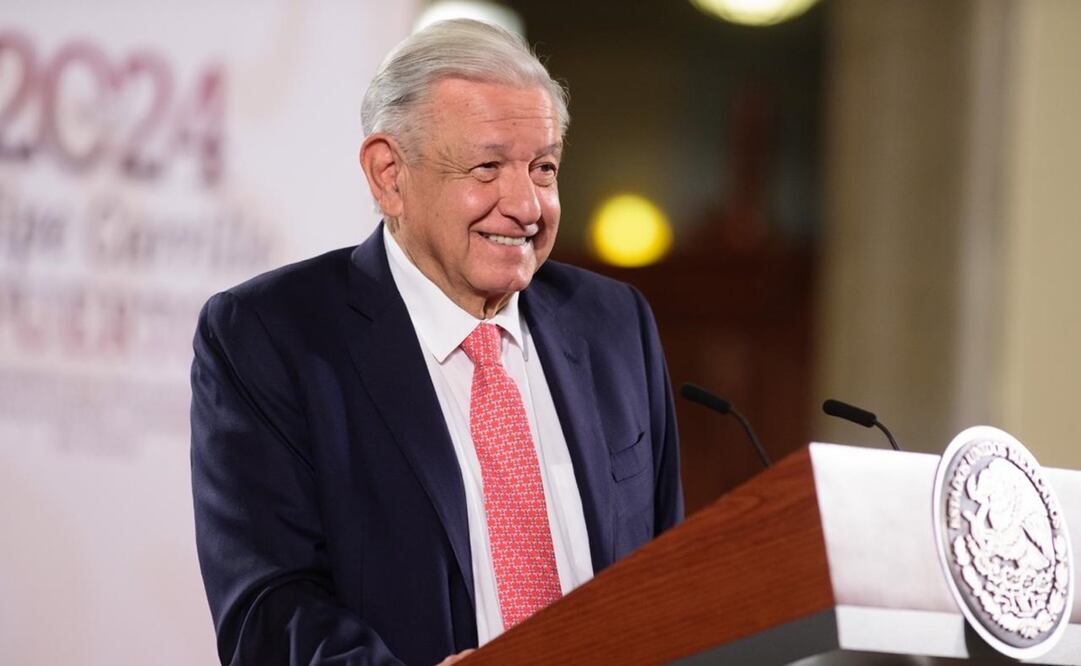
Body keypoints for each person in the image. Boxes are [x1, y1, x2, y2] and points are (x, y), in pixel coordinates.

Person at [190, 18, 682, 666]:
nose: (527, 205)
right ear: (389, 174)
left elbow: (671, 579)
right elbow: (268, 609)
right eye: (488, 167)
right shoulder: (270, 336)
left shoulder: (613, 324)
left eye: (543, 168)